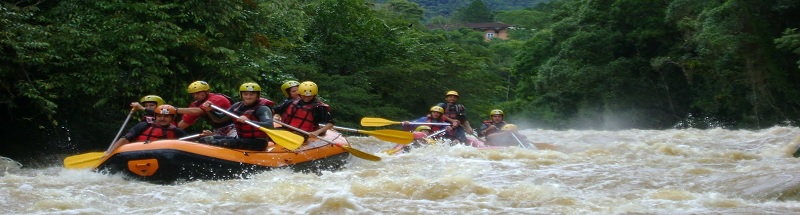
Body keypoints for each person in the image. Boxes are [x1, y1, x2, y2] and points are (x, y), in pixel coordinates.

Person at [199, 82, 276, 151]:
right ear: (241, 95)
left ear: (257, 95)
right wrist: (209, 110)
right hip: (241, 138)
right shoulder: (237, 106)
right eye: (245, 94)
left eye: (251, 94)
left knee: (213, 143)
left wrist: (249, 121)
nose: (248, 97)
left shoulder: (262, 108)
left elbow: (269, 125)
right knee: (204, 140)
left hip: (257, 142)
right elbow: (219, 119)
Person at [110, 104, 189, 149]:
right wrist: (109, 154)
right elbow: (125, 139)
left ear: (172, 118)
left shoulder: (177, 131)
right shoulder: (144, 125)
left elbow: (189, 146)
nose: (162, 119)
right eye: (159, 116)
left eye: (166, 116)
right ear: (155, 117)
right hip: (140, 153)